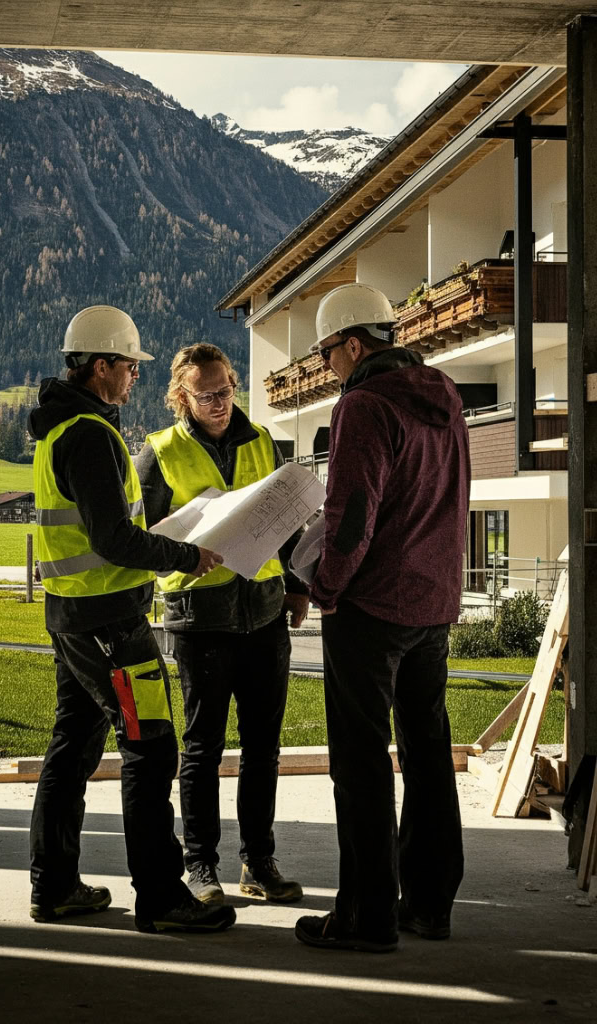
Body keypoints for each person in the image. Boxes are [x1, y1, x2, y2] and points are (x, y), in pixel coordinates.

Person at [28, 305, 236, 935]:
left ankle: (55, 885)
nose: (135, 377)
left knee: (74, 746)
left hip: (75, 618)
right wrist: (186, 555)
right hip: (112, 624)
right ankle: (161, 898)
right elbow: (115, 538)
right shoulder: (89, 434)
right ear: (101, 366)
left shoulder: (62, 429)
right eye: (129, 366)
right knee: (150, 749)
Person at [294, 283, 470, 954]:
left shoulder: (364, 406)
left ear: (355, 345)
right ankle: (428, 904)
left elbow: (353, 516)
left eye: (326, 353)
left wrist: (326, 588)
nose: (325, 366)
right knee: (427, 756)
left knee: (361, 763)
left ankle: (365, 918)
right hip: (432, 603)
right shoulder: (443, 397)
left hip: (371, 606)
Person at [136, 343, 309, 906]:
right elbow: (144, 539)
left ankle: (259, 862)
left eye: (227, 389)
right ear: (181, 396)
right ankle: (200, 868)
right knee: (202, 748)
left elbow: (289, 522)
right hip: (198, 620)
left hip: (263, 615)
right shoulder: (157, 454)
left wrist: (299, 587)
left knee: (264, 748)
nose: (219, 402)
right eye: (207, 394)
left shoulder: (262, 441)